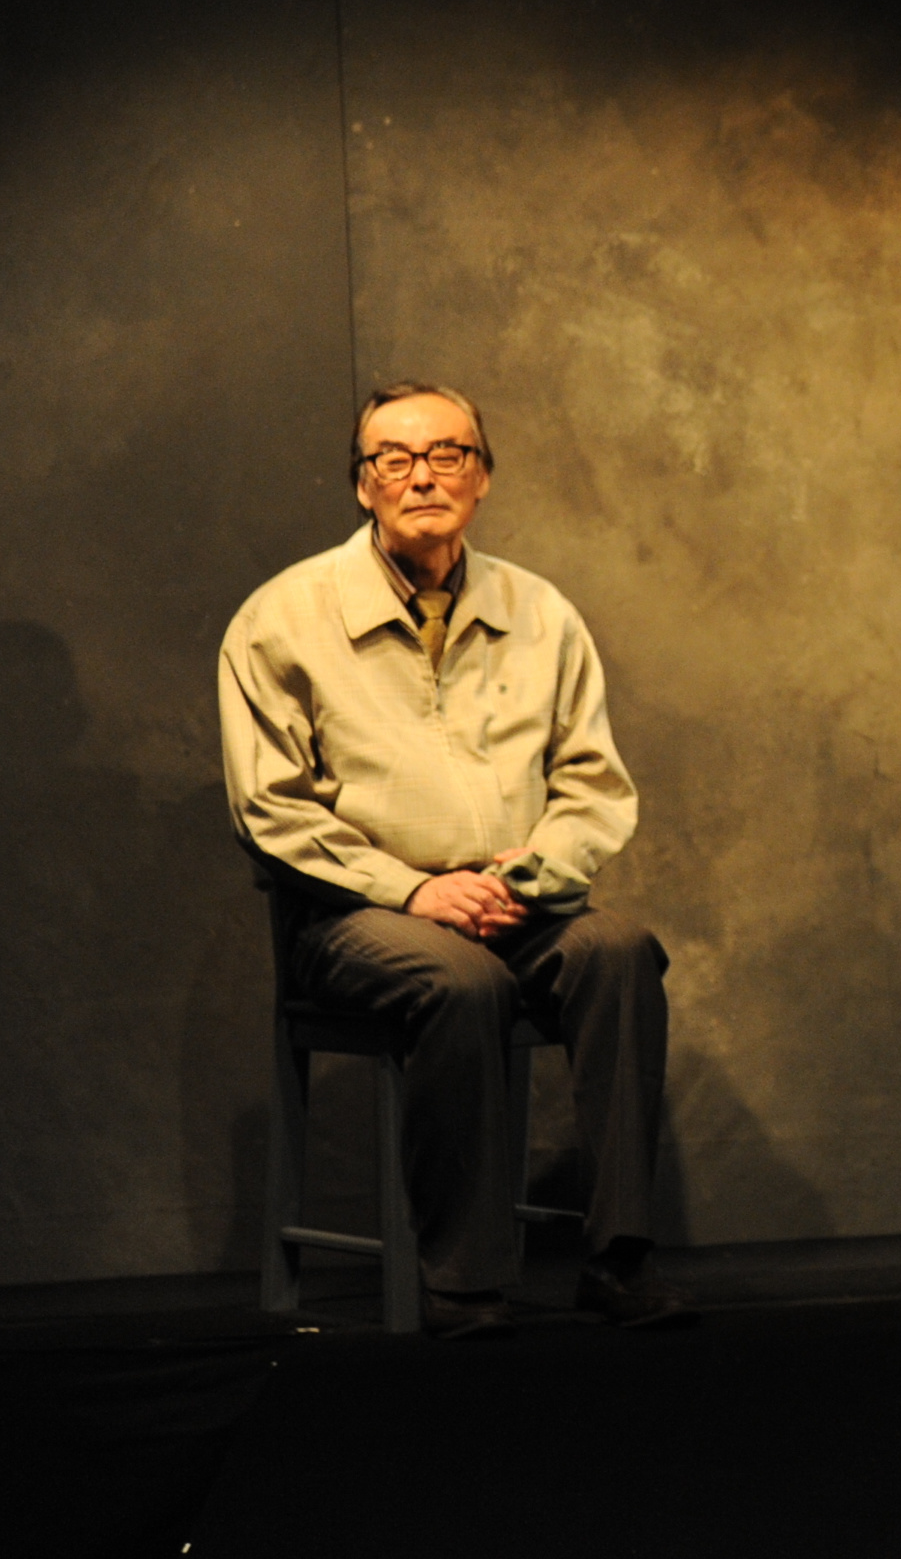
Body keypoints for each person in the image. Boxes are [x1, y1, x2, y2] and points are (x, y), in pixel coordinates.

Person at [220, 381, 693, 1337]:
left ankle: (618, 1256)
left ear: (482, 477)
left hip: (514, 902)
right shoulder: (282, 618)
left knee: (619, 953)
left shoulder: (540, 612)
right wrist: (414, 891)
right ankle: (463, 1280)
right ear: (363, 485)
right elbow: (270, 807)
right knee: (461, 982)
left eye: (447, 454)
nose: (422, 476)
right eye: (393, 459)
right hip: (351, 916)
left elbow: (592, 784)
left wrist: (532, 876)